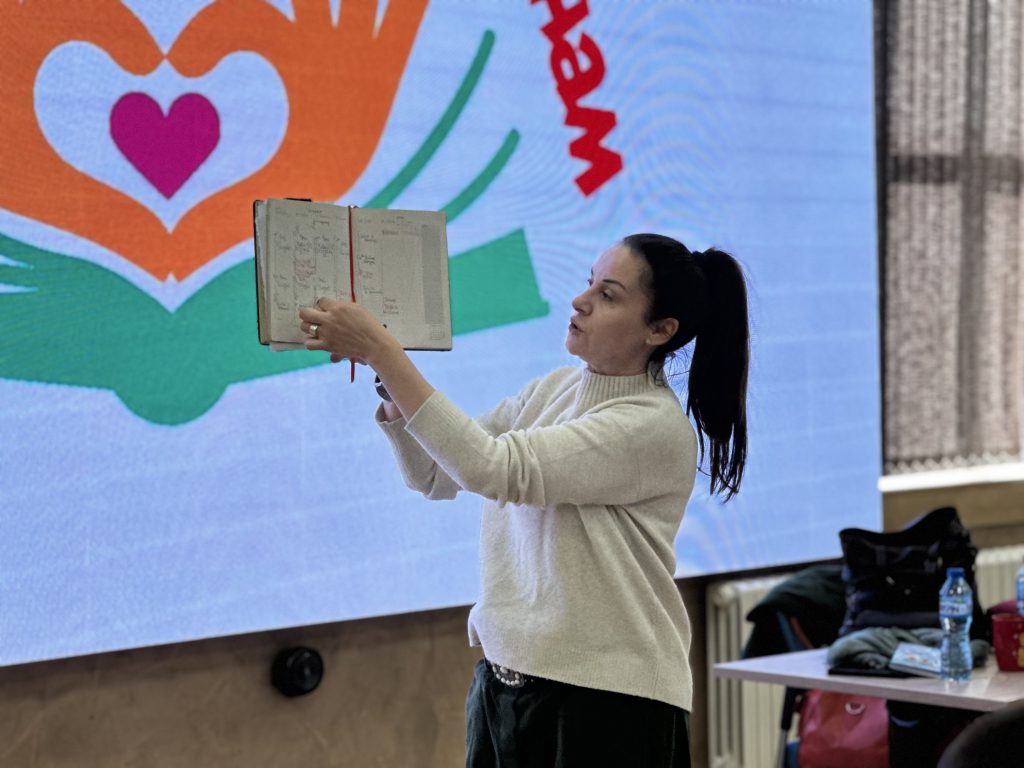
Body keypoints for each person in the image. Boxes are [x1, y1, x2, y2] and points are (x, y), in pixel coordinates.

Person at [298, 233, 750, 767]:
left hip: (609, 705)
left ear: (660, 330)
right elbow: (436, 474)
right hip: (504, 687)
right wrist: (385, 374)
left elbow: (490, 467)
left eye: (608, 295)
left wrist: (384, 351)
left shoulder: (651, 426)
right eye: (588, 284)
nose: (580, 301)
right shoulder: (554, 389)